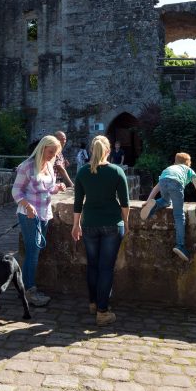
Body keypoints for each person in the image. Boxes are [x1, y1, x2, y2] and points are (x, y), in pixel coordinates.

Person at [72, 135, 129, 327]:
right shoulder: (116, 171)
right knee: (106, 268)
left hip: (89, 224)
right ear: (108, 150)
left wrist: (75, 225)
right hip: (112, 223)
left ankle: (93, 303)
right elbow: (125, 204)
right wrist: (126, 223)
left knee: (93, 266)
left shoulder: (82, 173)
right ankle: (103, 312)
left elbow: (78, 203)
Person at [12, 135, 66, 306]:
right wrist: (28, 207)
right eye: (51, 152)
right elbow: (16, 192)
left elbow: (48, 189)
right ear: (42, 148)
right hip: (29, 215)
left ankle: (27, 287)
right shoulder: (26, 166)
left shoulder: (49, 166)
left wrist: (58, 187)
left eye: (55, 154)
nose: (52, 156)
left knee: (35, 252)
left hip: (45, 213)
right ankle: (29, 291)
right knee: (33, 253)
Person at [140, 151, 196, 262]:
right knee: (179, 215)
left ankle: (154, 205)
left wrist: (148, 201)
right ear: (188, 163)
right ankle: (180, 245)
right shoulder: (188, 170)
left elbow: (157, 188)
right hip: (176, 183)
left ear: (175, 162)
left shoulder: (169, 168)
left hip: (163, 180)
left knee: (166, 201)